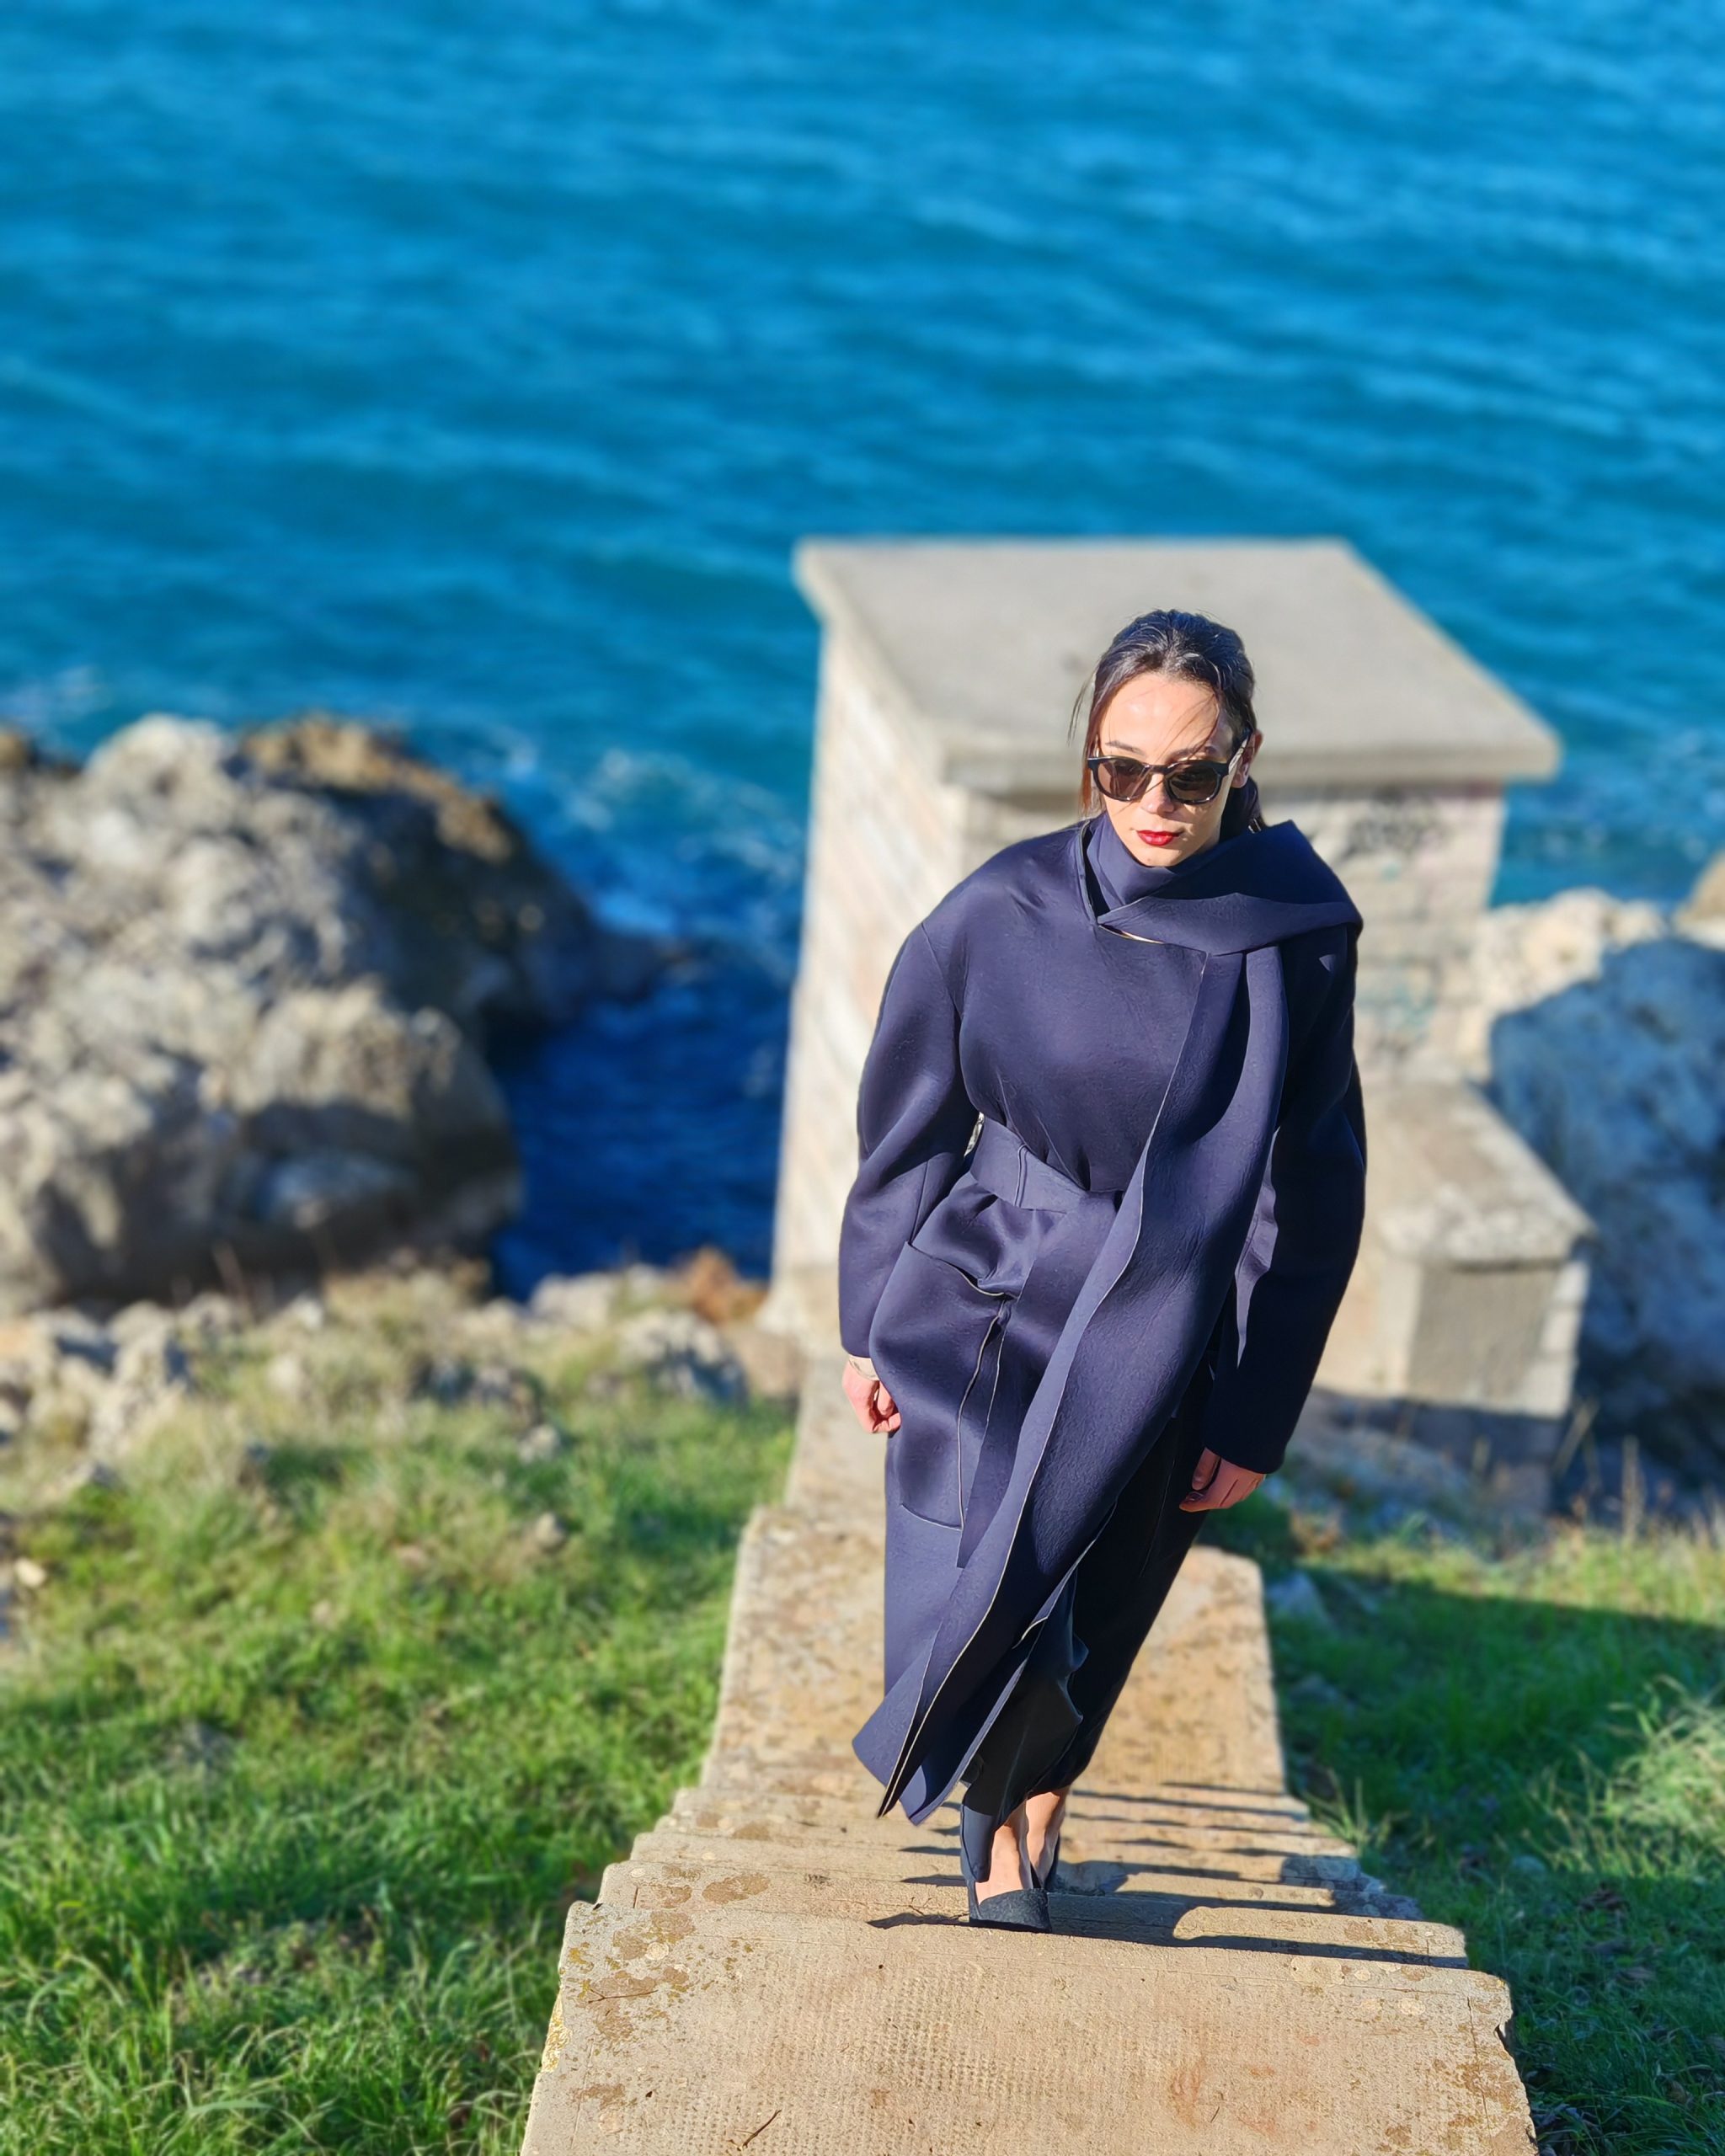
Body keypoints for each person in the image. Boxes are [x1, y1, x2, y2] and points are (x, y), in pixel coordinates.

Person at [836, 609, 1368, 1929]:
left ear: (1245, 758)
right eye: (1119, 769)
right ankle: (997, 1841)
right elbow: (910, 1127)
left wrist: (1257, 1409)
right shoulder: (997, 911)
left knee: (1106, 1596)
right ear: (1088, 756)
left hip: (1171, 1325)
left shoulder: (1298, 936)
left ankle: (1038, 1810)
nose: (1154, 803)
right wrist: (866, 1318)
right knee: (976, 1575)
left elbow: (1313, 1185)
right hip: (985, 1291)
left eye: (1192, 773)